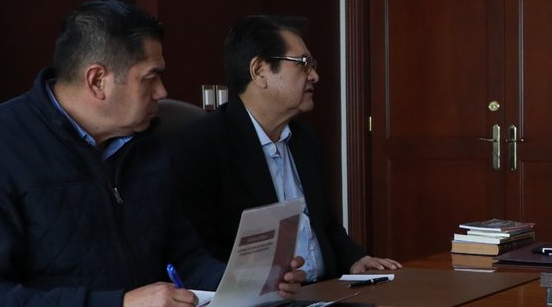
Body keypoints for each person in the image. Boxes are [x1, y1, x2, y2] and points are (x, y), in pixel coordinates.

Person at [0, 0, 301, 307]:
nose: (163, 92)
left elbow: (184, 257)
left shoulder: (144, 145)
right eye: (150, 78)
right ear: (97, 81)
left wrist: (246, 283)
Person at [171, 15, 399, 281]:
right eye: (303, 64)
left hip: (325, 292)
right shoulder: (204, 145)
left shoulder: (304, 139)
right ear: (260, 71)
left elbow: (324, 224)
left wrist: (355, 259)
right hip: (257, 299)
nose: (314, 75)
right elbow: (199, 251)